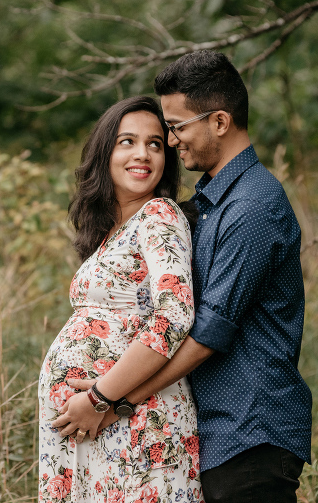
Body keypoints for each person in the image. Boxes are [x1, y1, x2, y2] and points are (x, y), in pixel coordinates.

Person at [66, 51, 313, 502]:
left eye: (176, 127)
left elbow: (205, 334)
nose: (173, 140)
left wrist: (114, 400)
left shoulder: (253, 206)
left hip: (249, 430)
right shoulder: (215, 201)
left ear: (219, 121)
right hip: (220, 430)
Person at [38, 96, 203, 503]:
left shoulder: (159, 214)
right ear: (104, 153)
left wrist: (99, 398)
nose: (142, 154)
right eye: (127, 141)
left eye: (155, 144)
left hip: (135, 427)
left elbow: (175, 315)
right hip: (102, 431)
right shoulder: (114, 231)